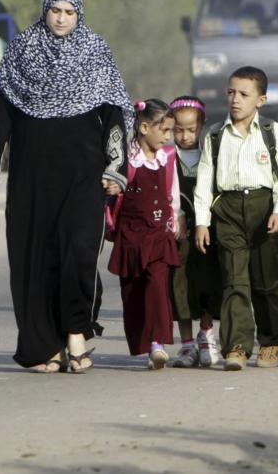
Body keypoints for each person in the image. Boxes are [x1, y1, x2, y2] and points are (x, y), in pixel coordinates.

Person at [0, 0, 133, 373]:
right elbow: (2, 110)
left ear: (80, 13)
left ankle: (76, 333)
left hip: (83, 172)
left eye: (69, 12)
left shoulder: (95, 51)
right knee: (35, 256)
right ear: (45, 10)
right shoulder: (22, 49)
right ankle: (44, 347)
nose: (61, 19)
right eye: (55, 11)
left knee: (79, 250)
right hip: (33, 174)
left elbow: (114, 113)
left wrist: (116, 167)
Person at [194, 66, 278, 371]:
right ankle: (236, 346)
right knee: (234, 281)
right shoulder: (214, 135)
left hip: (264, 210)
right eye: (231, 93)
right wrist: (201, 221)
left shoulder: (272, 132)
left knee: (265, 283)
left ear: (260, 100)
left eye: (243, 94)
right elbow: (204, 179)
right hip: (228, 211)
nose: (235, 100)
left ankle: (270, 342)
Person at [107, 99, 182, 369]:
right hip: (131, 235)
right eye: (163, 130)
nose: (167, 136)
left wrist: (175, 218)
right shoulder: (125, 159)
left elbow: (171, 191)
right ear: (144, 126)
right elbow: (111, 197)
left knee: (158, 284)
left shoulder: (168, 157)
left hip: (159, 233)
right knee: (134, 289)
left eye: (170, 131)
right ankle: (142, 341)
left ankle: (157, 344)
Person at [167, 96, 223, 369]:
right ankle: (187, 343)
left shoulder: (209, 156)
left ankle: (207, 336)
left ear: (201, 126)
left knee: (206, 282)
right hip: (177, 236)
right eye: (178, 129)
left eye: (191, 129)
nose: (185, 135)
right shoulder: (167, 158)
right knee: (179, 286)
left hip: (205, 232)